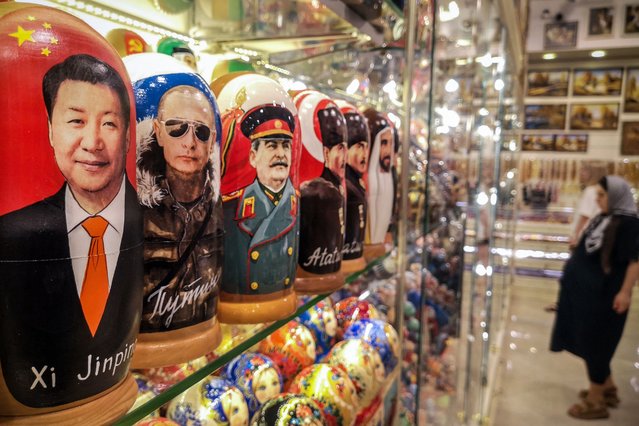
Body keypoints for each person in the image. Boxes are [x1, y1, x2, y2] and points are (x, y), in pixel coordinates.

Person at [0, 54, 142, 406]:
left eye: (109, 124)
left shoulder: (152, 219)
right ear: (50, 129)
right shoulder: (11, 234)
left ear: (127, 135)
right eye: (76, 121)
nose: (92, 142)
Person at [550, 175, 639, 420]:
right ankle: (607, 387)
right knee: (588, 339)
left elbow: (635, 261)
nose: (597, 200)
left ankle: (596, 399)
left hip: (605, 296)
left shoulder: (629, 224)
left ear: (616, 196)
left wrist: (625, 292)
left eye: (601, 195)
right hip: (586, 294)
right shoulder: (604, 218)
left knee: (596, 342)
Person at [137, 84, 223, 332]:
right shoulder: (138, 212)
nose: (190, 143)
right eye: (177, 128)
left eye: (202, 132)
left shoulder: (217, 209)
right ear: (158, 132)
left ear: (212, 142)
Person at [221, 106, 298, 296]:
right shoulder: (231, 208)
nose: (281, 154)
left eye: (285, 145)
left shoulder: (296, 203)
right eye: (272, 145)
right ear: (253, 157)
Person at [341, 105, 370, 261]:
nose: (364, 154)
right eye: (359, 146)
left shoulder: (358, 183)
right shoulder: (347, 186)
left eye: (366, 147)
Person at [363, 109, 395, 245]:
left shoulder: (387, 176)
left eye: (390, 143)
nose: (388, 151)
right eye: (383, 143)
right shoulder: (366, 181)